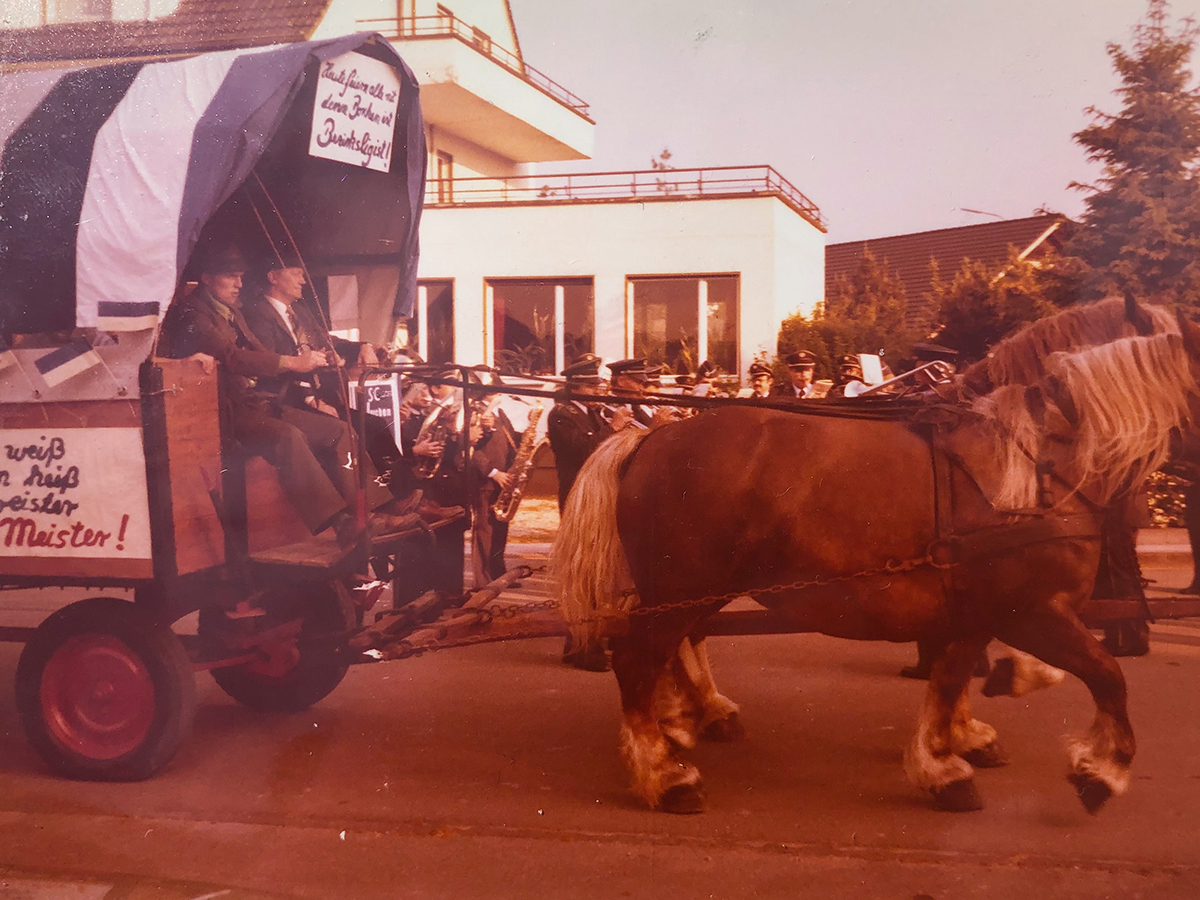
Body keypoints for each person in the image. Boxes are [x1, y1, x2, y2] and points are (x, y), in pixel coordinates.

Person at [160, 244, 414, 547]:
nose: (239, 284)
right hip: (227, 409)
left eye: (240, 276)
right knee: (288, 436)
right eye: (230, 276)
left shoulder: (230, 311)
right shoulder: (193, 314)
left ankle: (371, 513)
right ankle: (341, 524)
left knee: (340, 431)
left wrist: (320, 358)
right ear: (206, 278)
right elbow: (232, 356)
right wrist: (292, 363)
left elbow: (258, 352)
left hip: (259, 403)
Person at [241, 254, 409, 502]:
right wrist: (310, 395)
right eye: (296, 273)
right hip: (287, 402)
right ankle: (382, 508)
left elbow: (328, 341)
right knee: (351, 430)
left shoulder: (300, 312)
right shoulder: (255, 314)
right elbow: (268, 362)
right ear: (273, 277)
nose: (303, 280)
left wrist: (361, 346)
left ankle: (407, 498)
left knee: (375, 425)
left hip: (314, 399)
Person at [547, 353, 623, 671]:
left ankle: (592, 639)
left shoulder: (593, 414)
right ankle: (579, 646)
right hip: (577, 502)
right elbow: (584, 451)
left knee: (598, 576)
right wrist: (614, 428)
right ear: (577, 387)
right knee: (583, 577)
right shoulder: (561, 415)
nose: (598, 392)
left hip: (596, 500)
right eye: (593, 387)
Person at [468, 390, 518, 588]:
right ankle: (483, 580)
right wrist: (492, 472)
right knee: (485, 529)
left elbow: (510, 440)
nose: (500, 393)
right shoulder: (475, 412)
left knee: (500, 528)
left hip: (504, 480)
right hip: (487, 481)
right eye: (495, 390)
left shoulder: (499, 413)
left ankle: (498, 574)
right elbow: (471, 449)